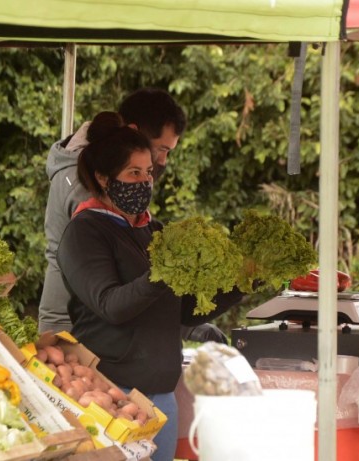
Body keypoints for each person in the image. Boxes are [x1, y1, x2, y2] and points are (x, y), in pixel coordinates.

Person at [57, 112, 244, 461]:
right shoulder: (85, 231)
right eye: (133, 173)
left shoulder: (152, 230)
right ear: (103, 178)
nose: (144, 182)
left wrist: (244, 282)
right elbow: (110, 304)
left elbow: (187, 309)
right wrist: (163, 273)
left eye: (148, 173)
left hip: (162, 398)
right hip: (113, 396)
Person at [39, 88, 228, 343]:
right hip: (73, 329)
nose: (163, 161)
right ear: (133, 131)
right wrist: (184, 326)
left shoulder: (112, 180)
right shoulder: (86, 185)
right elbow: (117, 291)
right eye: (161, 149)